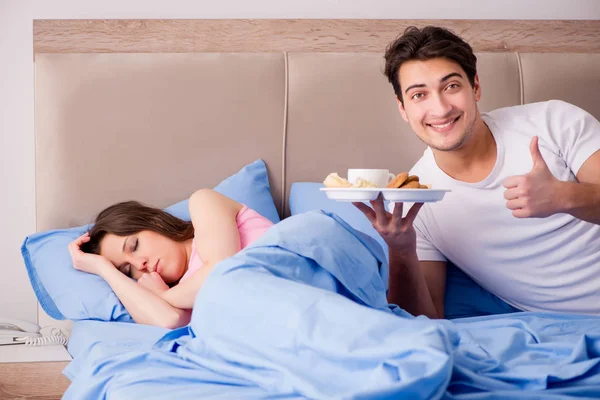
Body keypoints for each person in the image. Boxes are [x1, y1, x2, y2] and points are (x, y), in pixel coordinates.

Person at [355, 26, 600, 320]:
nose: (441, 109)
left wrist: (564, 196)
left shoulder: (552, 121)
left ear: (476, 87)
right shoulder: (416, 201)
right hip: (569, 330)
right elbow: (424, 321)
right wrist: (401, 250)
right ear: (403, 109)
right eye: (419, 95)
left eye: (451, 87)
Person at [68, 189, 274, 328]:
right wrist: (104, 269)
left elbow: (220, 274)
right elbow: (169, 321)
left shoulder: (204, 202)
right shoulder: (182, 293)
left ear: (155, 222)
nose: (140, 264)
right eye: (128, 270)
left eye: (135, 246)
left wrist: (163, 296)